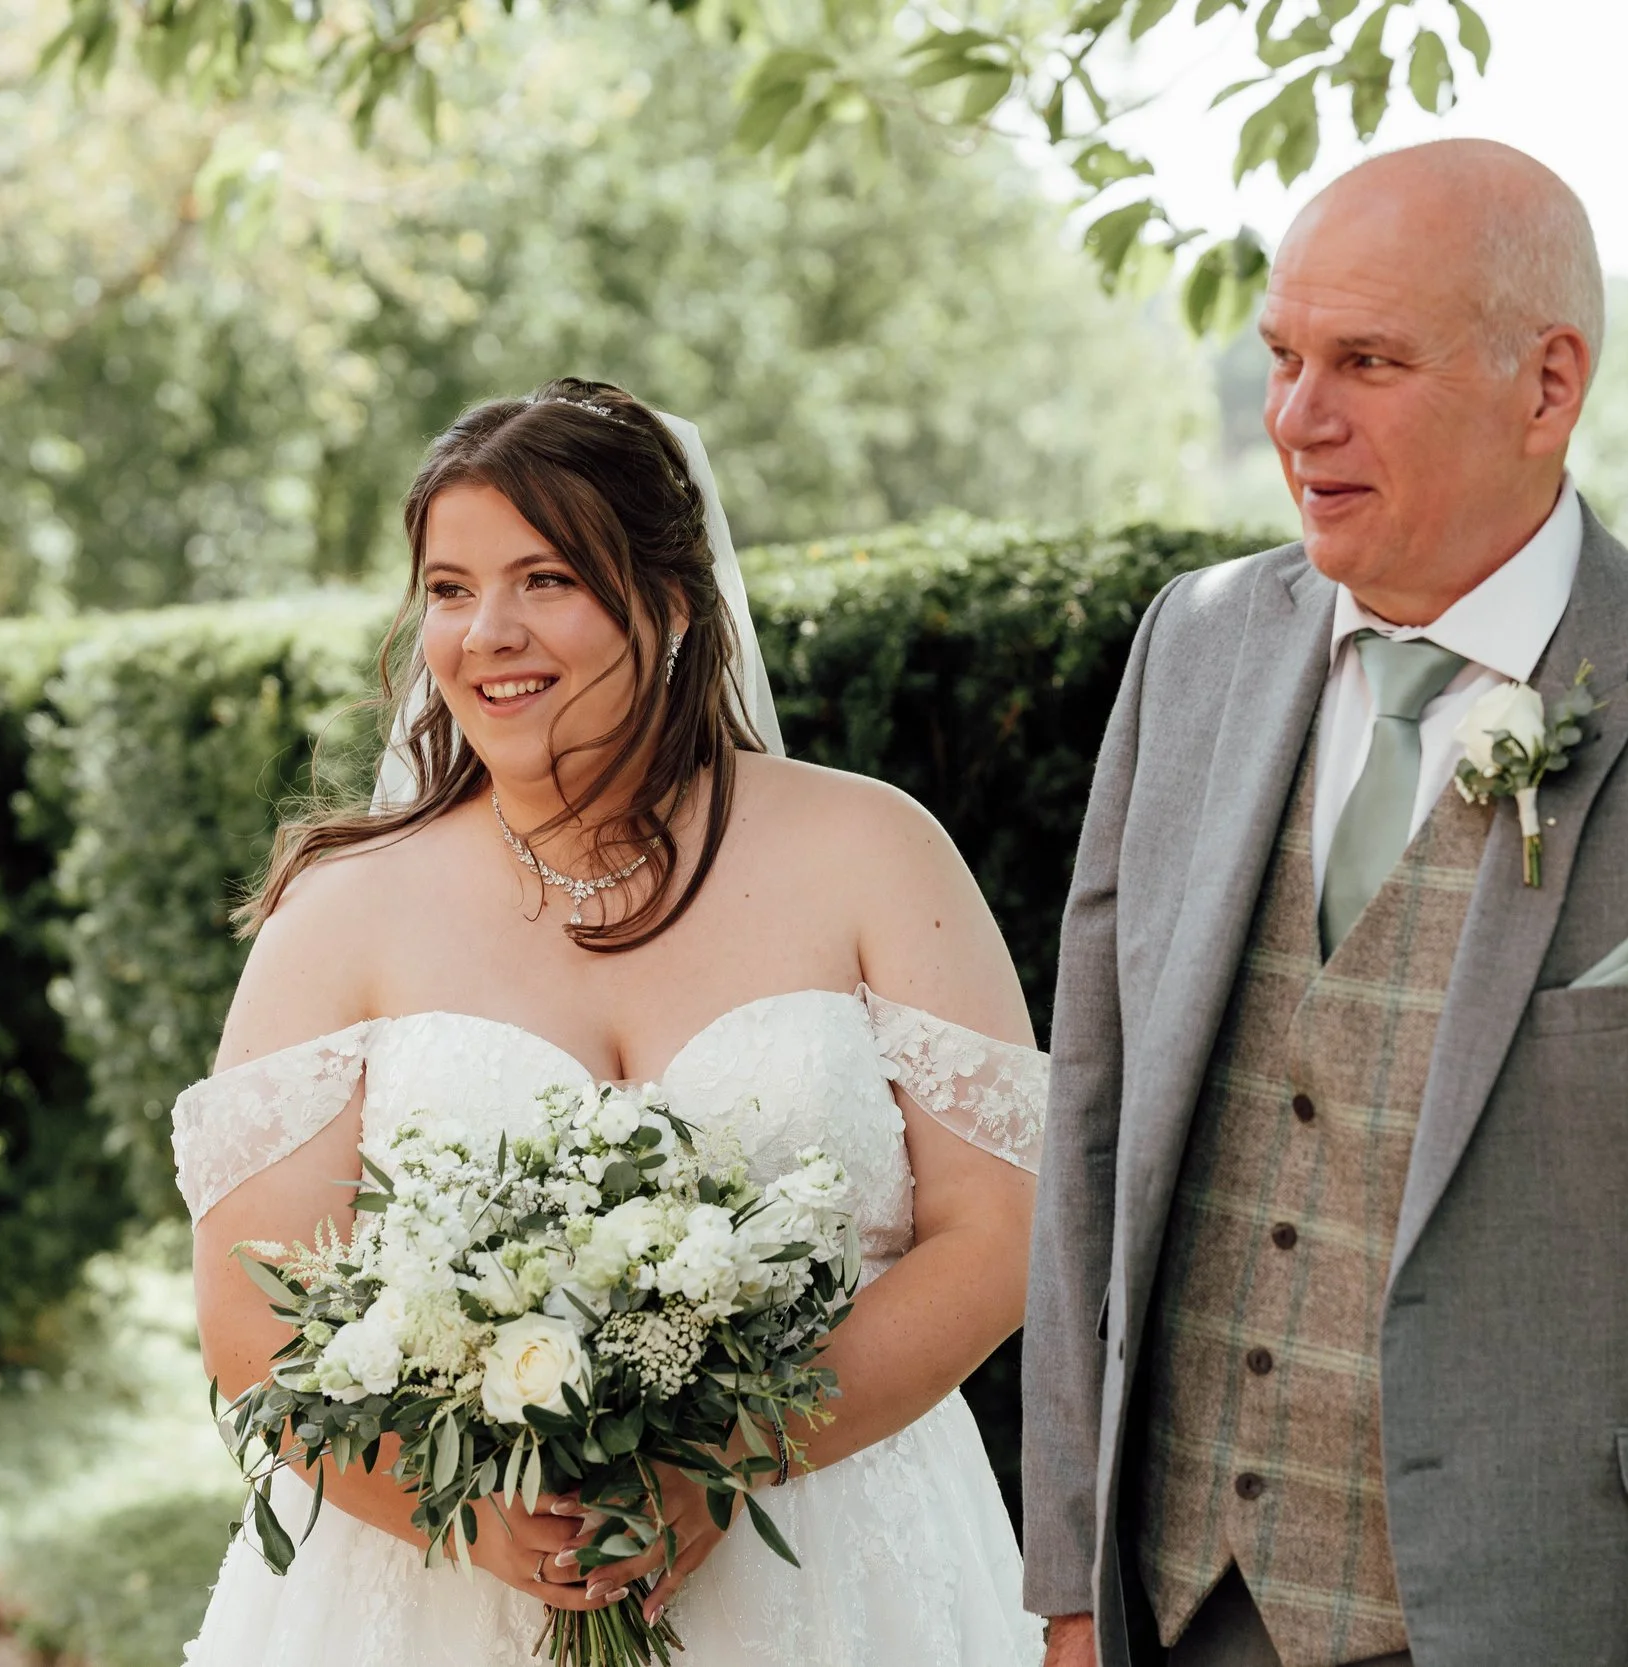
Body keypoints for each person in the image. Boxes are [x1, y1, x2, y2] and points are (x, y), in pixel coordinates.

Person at [1022, 140, 1628, 1667]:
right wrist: (1067, 1582)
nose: (1298, 418)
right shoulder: (1195, 645)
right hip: (1176, 1614)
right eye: (1285, 357)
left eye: (1366, 361)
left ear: (1548, 385)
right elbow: (1090, 1134)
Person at [171, 378, 1048, 1666]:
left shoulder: (872, 850)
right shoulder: (341, 910)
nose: (488, 634)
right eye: (451, 588)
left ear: (675, 603)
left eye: (547, 580)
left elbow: (1002, 1227)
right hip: (442, 1593)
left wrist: (734, 1460)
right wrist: (466, 1509)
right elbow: (252, 1320)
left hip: (836, 1560)